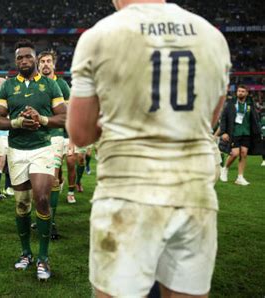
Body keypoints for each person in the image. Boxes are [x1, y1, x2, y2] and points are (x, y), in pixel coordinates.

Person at [67, 0, 231, 297]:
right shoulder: (212, 37)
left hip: (127, 190)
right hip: (193, 190)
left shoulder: (100, 35)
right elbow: (208, 120)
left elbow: (80, 133)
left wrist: (119, 117)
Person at [0, 39, 66, 280]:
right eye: (19, 58)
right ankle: (26, 253)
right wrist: (17, 123)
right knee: (22, 204)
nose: (24, 60)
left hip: (42, 148)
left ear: (35, 59)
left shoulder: (50, 86)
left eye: (27, 56)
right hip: (17, 150)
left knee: (42, 198)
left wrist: (42, 120)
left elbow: (63, 117)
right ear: (16, 62)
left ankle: (44, 257)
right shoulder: (8, 87)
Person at [37, 50, 70, 239]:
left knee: (53, 179)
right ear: (38, 64)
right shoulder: (32, 83)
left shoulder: (62, 84)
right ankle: (42, 215)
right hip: (35, 138)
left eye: (49, 61)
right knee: (38, 184)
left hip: (56, 137)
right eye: (42, 61)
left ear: (54, 65)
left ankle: (51, 221)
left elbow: (69, 112)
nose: (46, 64)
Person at [220, 85, 263, 185]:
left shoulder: (250, 104)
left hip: (247, 133)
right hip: (234, 132)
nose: (240, 93)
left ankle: (240, 177)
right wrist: (223, 132)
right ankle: (225, 169)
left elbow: (255, 118)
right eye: (239, 91)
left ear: (247, 93)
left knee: (243, 154)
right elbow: (223, 118)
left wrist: (257, 131)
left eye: (243, 91)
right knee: (235, 153)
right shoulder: (231, 103)